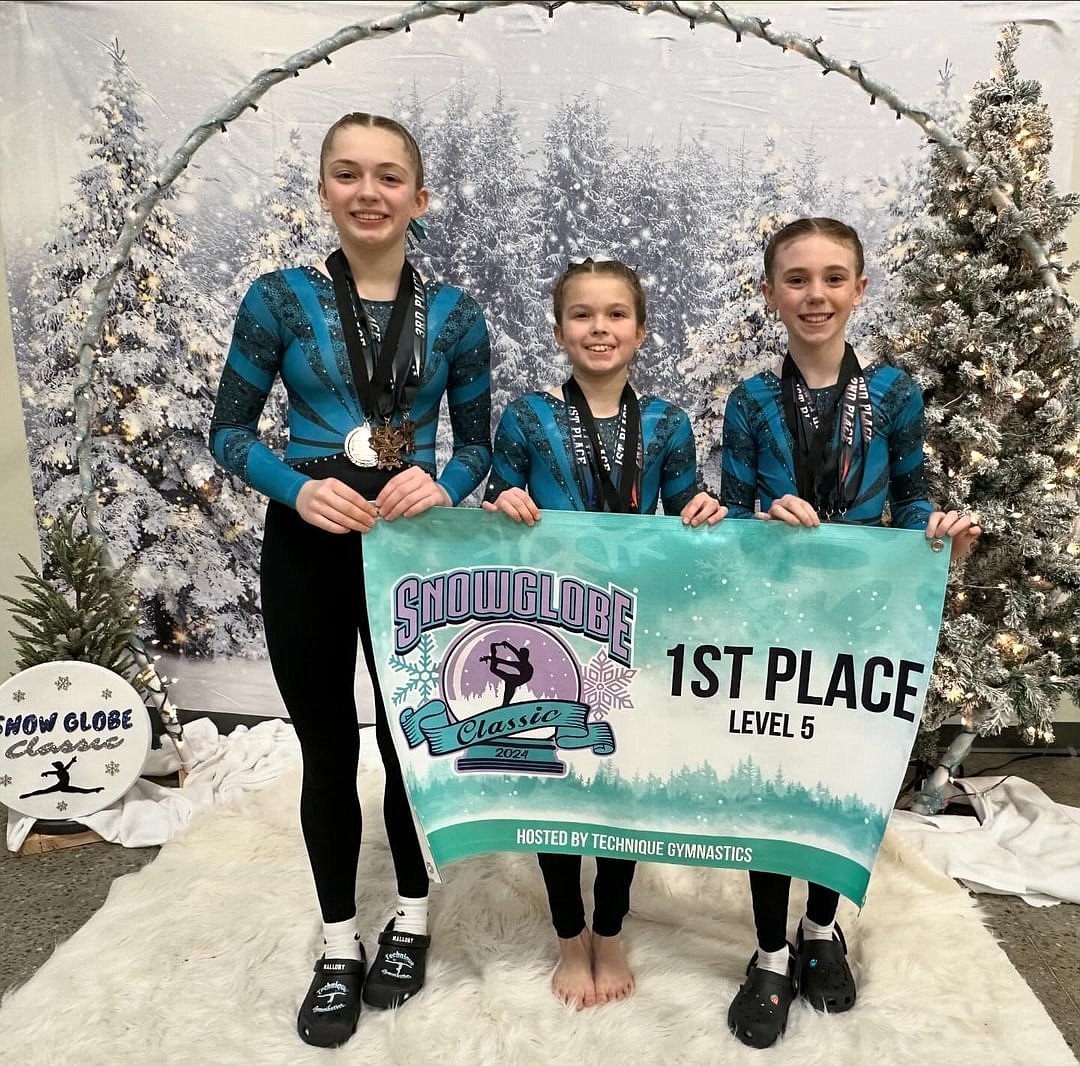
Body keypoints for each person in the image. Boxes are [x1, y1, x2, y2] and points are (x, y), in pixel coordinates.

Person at [208, 112, 491, 1048]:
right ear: (325, 189)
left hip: (414, 552)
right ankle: (338, 943)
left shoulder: (456, 314)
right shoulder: (277, 300)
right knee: (327, 748)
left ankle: (409, 919)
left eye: (388, 176)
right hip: (309, 549)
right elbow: (231, 434)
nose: (368, 192)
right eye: (348, 174)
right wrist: (296, 488)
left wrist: (443, 481)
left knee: (414, 740)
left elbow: (480, 443)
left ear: (420, 195)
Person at [719, 217, 980, 1049]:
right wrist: (759, 514)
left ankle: (819, 930)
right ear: (770, 294)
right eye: (796, 279)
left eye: (834, 278)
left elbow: (909, 495)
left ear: (860, 290)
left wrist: (934, 525)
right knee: (772, 778)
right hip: (775, 616)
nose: (815, 294)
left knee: (841, 774)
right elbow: (724, 513)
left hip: (860, 618)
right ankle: (766, 952)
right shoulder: (751, 400)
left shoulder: (897, 394)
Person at [483, 256, 726, 1010]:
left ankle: (611, 929)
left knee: (618, 780)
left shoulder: (666, 423)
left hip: (632, 625)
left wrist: (703, 509)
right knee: (557, 779)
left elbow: (685, 499)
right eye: (583, 315)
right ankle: (567, 933)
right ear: (559, 330)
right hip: (550, 622)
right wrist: (505, 500)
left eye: (616, 314)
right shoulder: (526, 417)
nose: (600, 328)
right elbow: (500, 489)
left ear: (641, 330)